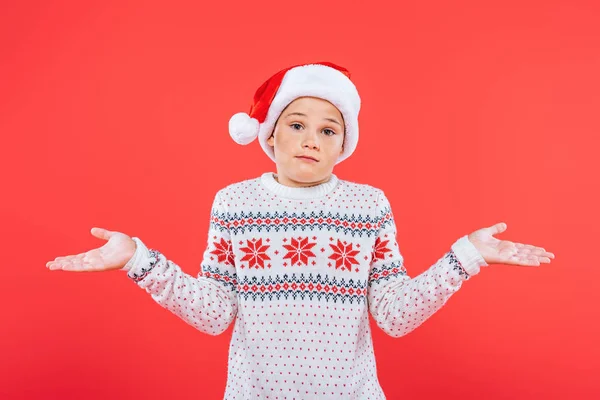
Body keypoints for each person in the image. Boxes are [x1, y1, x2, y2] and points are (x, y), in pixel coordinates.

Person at [46, 61, 555, 399]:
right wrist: (137, 258)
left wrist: (466, 256)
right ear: (269, 134)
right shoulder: (235, 203)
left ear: (343, 143)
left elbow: (395, 316)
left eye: (328, 129)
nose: (311, 139)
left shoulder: (367, 206)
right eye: (296, 123)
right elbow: (214, 313)